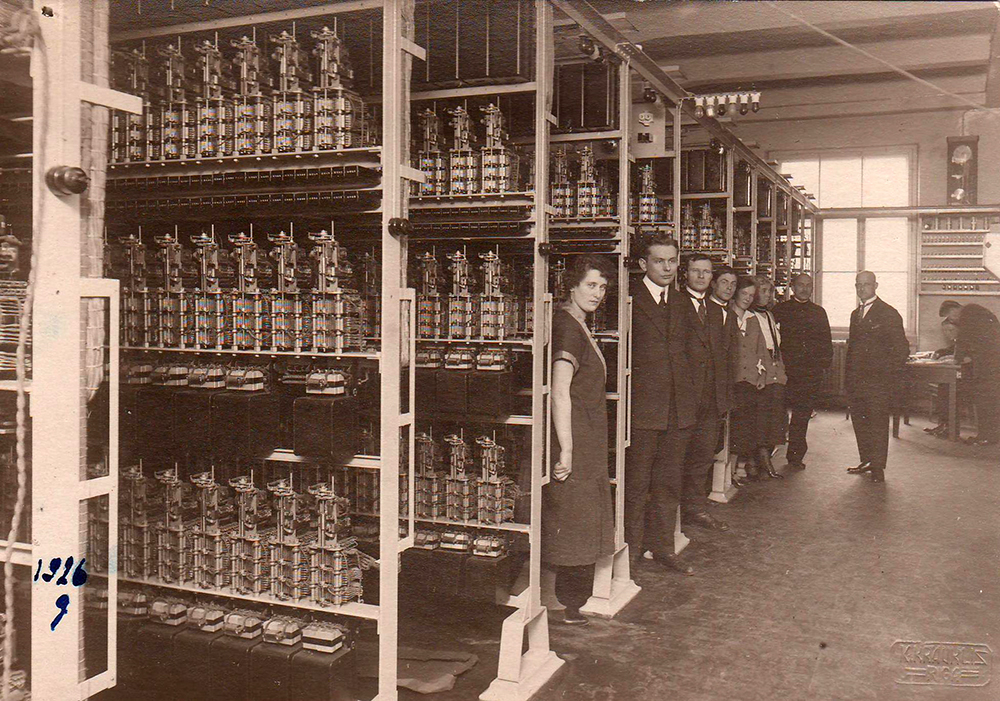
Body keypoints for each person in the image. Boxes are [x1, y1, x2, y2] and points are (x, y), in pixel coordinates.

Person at [544, 255, 617, 624]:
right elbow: (559, 391)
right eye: (590, 285)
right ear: (571, 286)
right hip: (574, 438)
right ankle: (567, 603)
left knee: (580, 517)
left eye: (602, 287)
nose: (598, 293)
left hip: (586, 437)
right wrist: (567, 450)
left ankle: (569, 600)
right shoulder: (568, 327)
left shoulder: (577, 324)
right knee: (574, 517)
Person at [625, 235, 696, 575]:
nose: (668, 268)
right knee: (637, 485)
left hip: (678, 410)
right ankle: (631, 552)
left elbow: (691, 353)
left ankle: (663, 548)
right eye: (659, 261)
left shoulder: (681, 302)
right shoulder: (628, 299)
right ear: (643, 264)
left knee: (668, 483)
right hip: (642, 410)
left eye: (672, 260)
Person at [680, 253, 731, 531]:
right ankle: (671, 516)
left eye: (706, 272)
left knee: (702, 457)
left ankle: (695, 509)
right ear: (685, 274)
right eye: (695, 271)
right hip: (683, 398)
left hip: (710, 399)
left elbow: (722, 356)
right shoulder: (675, 304)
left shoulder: (716, 310)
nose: (701, 276)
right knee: (676, 458)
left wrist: (722, 399)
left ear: (712, 278)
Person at [845, 271, 909, 482]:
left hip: (878, 383)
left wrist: (885, 377)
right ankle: (866, 460)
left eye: (866, 284)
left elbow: (901, 350)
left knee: (878, 424)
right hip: (857, 381)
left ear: (876, 286)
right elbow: (852, 350)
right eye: (858, 284)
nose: (862, 288)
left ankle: (878, 468)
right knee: (860, 421)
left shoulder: (888, 313)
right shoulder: (855, 314)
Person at [773, 273, 832, 469]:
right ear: (792, 287)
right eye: (800, 285)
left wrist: (823, 367)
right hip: (784, 371)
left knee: (801, 415)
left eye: (808, 285)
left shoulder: (819, 312)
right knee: (776, 412)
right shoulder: (780, 310)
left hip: (809, 373)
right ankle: (767, 455)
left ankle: (795, 456)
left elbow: (826, 342)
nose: (804, 289)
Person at [940, 300, 1000, 445]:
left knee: (986, 400)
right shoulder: (975, 312)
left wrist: (957, 359)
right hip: (990, 362)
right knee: (987, 400)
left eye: (950, 316)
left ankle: (987, 437)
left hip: (990, 364)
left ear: (954, 309)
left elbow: (963, 339)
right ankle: (987, 436)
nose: (952, 320)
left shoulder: (968, 314)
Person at [708, 265, 739, 485]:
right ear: (713, 284)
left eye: (733, 284)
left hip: (721, 391)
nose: (729, 288)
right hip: (707, 391)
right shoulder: (706, 310)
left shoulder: (730, 314)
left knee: (713, 444)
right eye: (724, 282)